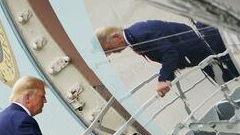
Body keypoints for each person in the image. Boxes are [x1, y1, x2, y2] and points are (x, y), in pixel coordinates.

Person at [96, 20, 239, 97]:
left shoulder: (139, 34)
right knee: (227, 78)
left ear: (115, 37)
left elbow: (169, 52)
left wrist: (164, 79)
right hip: (200, 51)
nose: (111, 53)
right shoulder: (135, 36)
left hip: (205, 46)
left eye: (108, 49)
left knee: (231, 75)